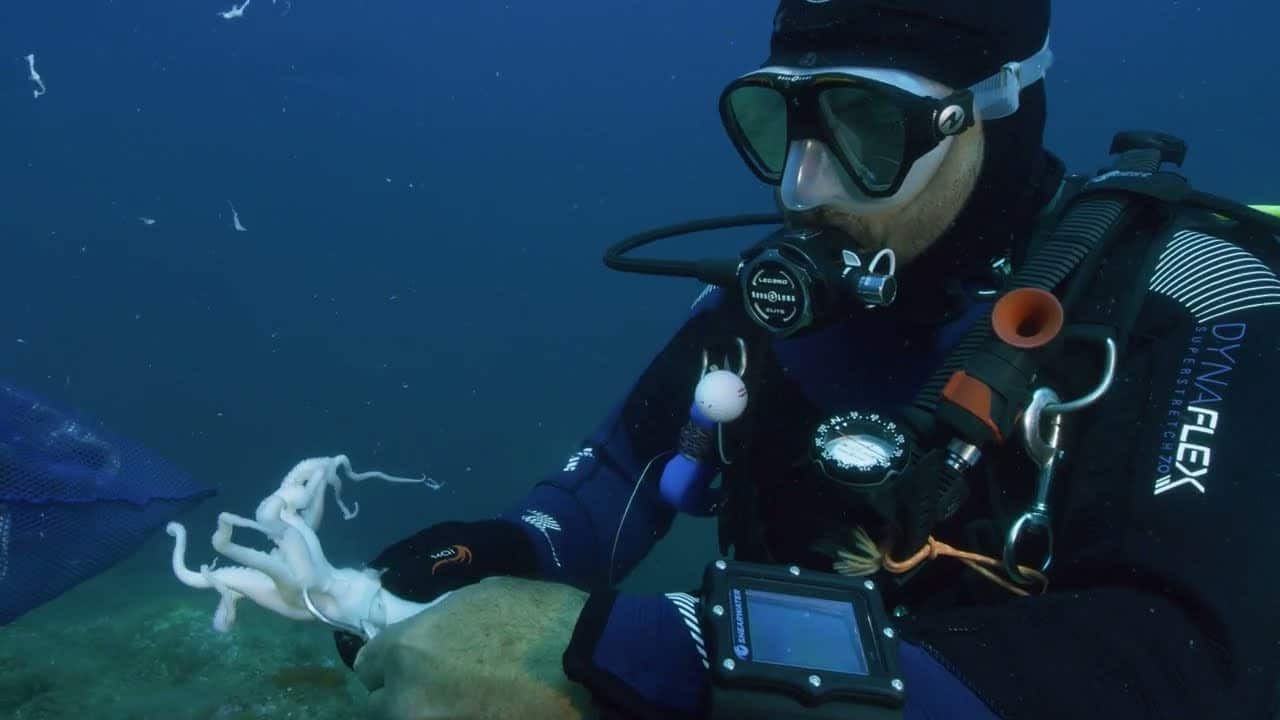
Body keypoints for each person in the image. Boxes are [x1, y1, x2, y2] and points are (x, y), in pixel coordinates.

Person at [338, 1, 1280, 718]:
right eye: (780, 122)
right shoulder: (767, 312)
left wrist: (646, 650)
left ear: (990, 117)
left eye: (866, 128)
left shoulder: (1195, 298)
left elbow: (1182, 660)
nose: (803, 186)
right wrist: (495, 552)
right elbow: (616, 484)